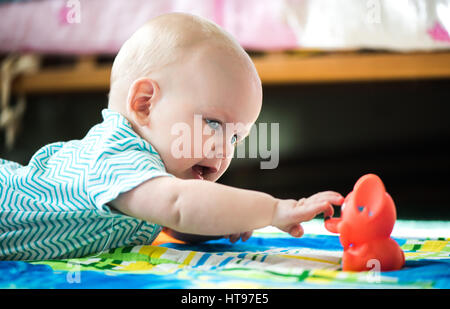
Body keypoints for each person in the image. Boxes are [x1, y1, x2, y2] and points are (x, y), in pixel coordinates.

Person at [0, 13, 343, 261]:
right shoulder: (116, 152)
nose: (224, 148)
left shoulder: (149, 177)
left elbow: (174, 218)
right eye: (213, 123)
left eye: (237, 137)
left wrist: (220, 220)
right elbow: (177, 205)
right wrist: (272, 209)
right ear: (145, 104)